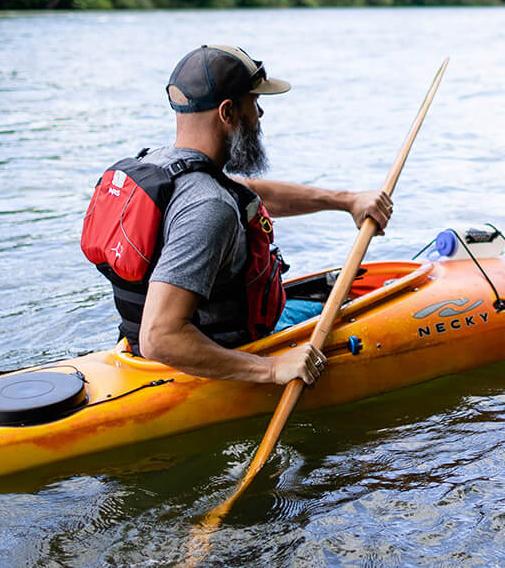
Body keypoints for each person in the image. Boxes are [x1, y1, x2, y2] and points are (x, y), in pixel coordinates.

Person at [120, 44, 392, 387]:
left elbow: (247, 193)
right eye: (255, 103)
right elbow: (160, 337)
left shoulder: (158, 165)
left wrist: (348, 200)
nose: (260, 115)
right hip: (211, 354)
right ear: (228, 112)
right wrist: (273, 369)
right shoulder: (209, 207)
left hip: (139, 353)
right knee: (357, 303)